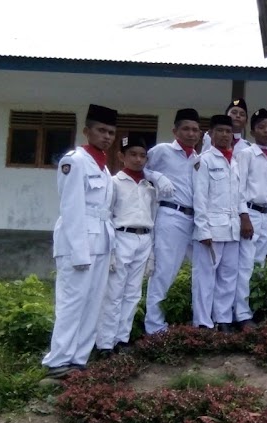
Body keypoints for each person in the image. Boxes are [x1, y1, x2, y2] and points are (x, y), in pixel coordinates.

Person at [42, 104, 118, 377]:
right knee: (72, 302)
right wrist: (79, 252)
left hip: (101, 242)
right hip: (79, 243)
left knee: (93, 303)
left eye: (111, 132)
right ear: (87, 131)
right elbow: (71, 208)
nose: (107, 136)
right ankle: (58, 361)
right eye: (101, 130)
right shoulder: (74, 161)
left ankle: (78, 360)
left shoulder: (105, 167)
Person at [95, 134, 156, 356]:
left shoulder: (149, 184)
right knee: (114, 292)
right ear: (121, 156)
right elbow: (107, 216)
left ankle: (122, 339)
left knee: (133, 292)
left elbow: (154, 216)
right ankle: (105, 343)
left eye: (142, 155)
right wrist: (109, 249)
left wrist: (152, 253)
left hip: (144, 238)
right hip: (121, 238)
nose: (138, 159)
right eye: (133, 154)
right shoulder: (113, 182)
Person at [144, 108, 201, 334]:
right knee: (164, 271)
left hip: (195, 219)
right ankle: (155, 327)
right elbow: (139, 167)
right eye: (185, 129)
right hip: (171, 216)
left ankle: (201, 320)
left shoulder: (199, 159)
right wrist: (157, 176)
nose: (190, 133)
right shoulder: (163, 151)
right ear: (175, 130)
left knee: (204, 270)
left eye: (195, 129)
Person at [232, 111, 267, 329]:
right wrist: (244, 216)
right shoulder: (246, 154)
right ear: (252, 131)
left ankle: (254, 308)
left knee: (259, 265)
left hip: (265, 215)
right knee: (245, 265)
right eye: (262, 127)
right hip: (250, 214)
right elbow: (239, 187)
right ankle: (241, 314)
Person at [192, 115, 242, 331]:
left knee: (228, 276)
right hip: (211, 229)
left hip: (232, 229)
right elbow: (200, 197)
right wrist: (202, 229)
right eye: (219, 131)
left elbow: (238, 196)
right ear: (210, 134)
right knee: (205, 277)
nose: (224, 135)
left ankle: (223, 319)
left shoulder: (235, 162)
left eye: (228, 131)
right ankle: (203, 322)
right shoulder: (203, 161)